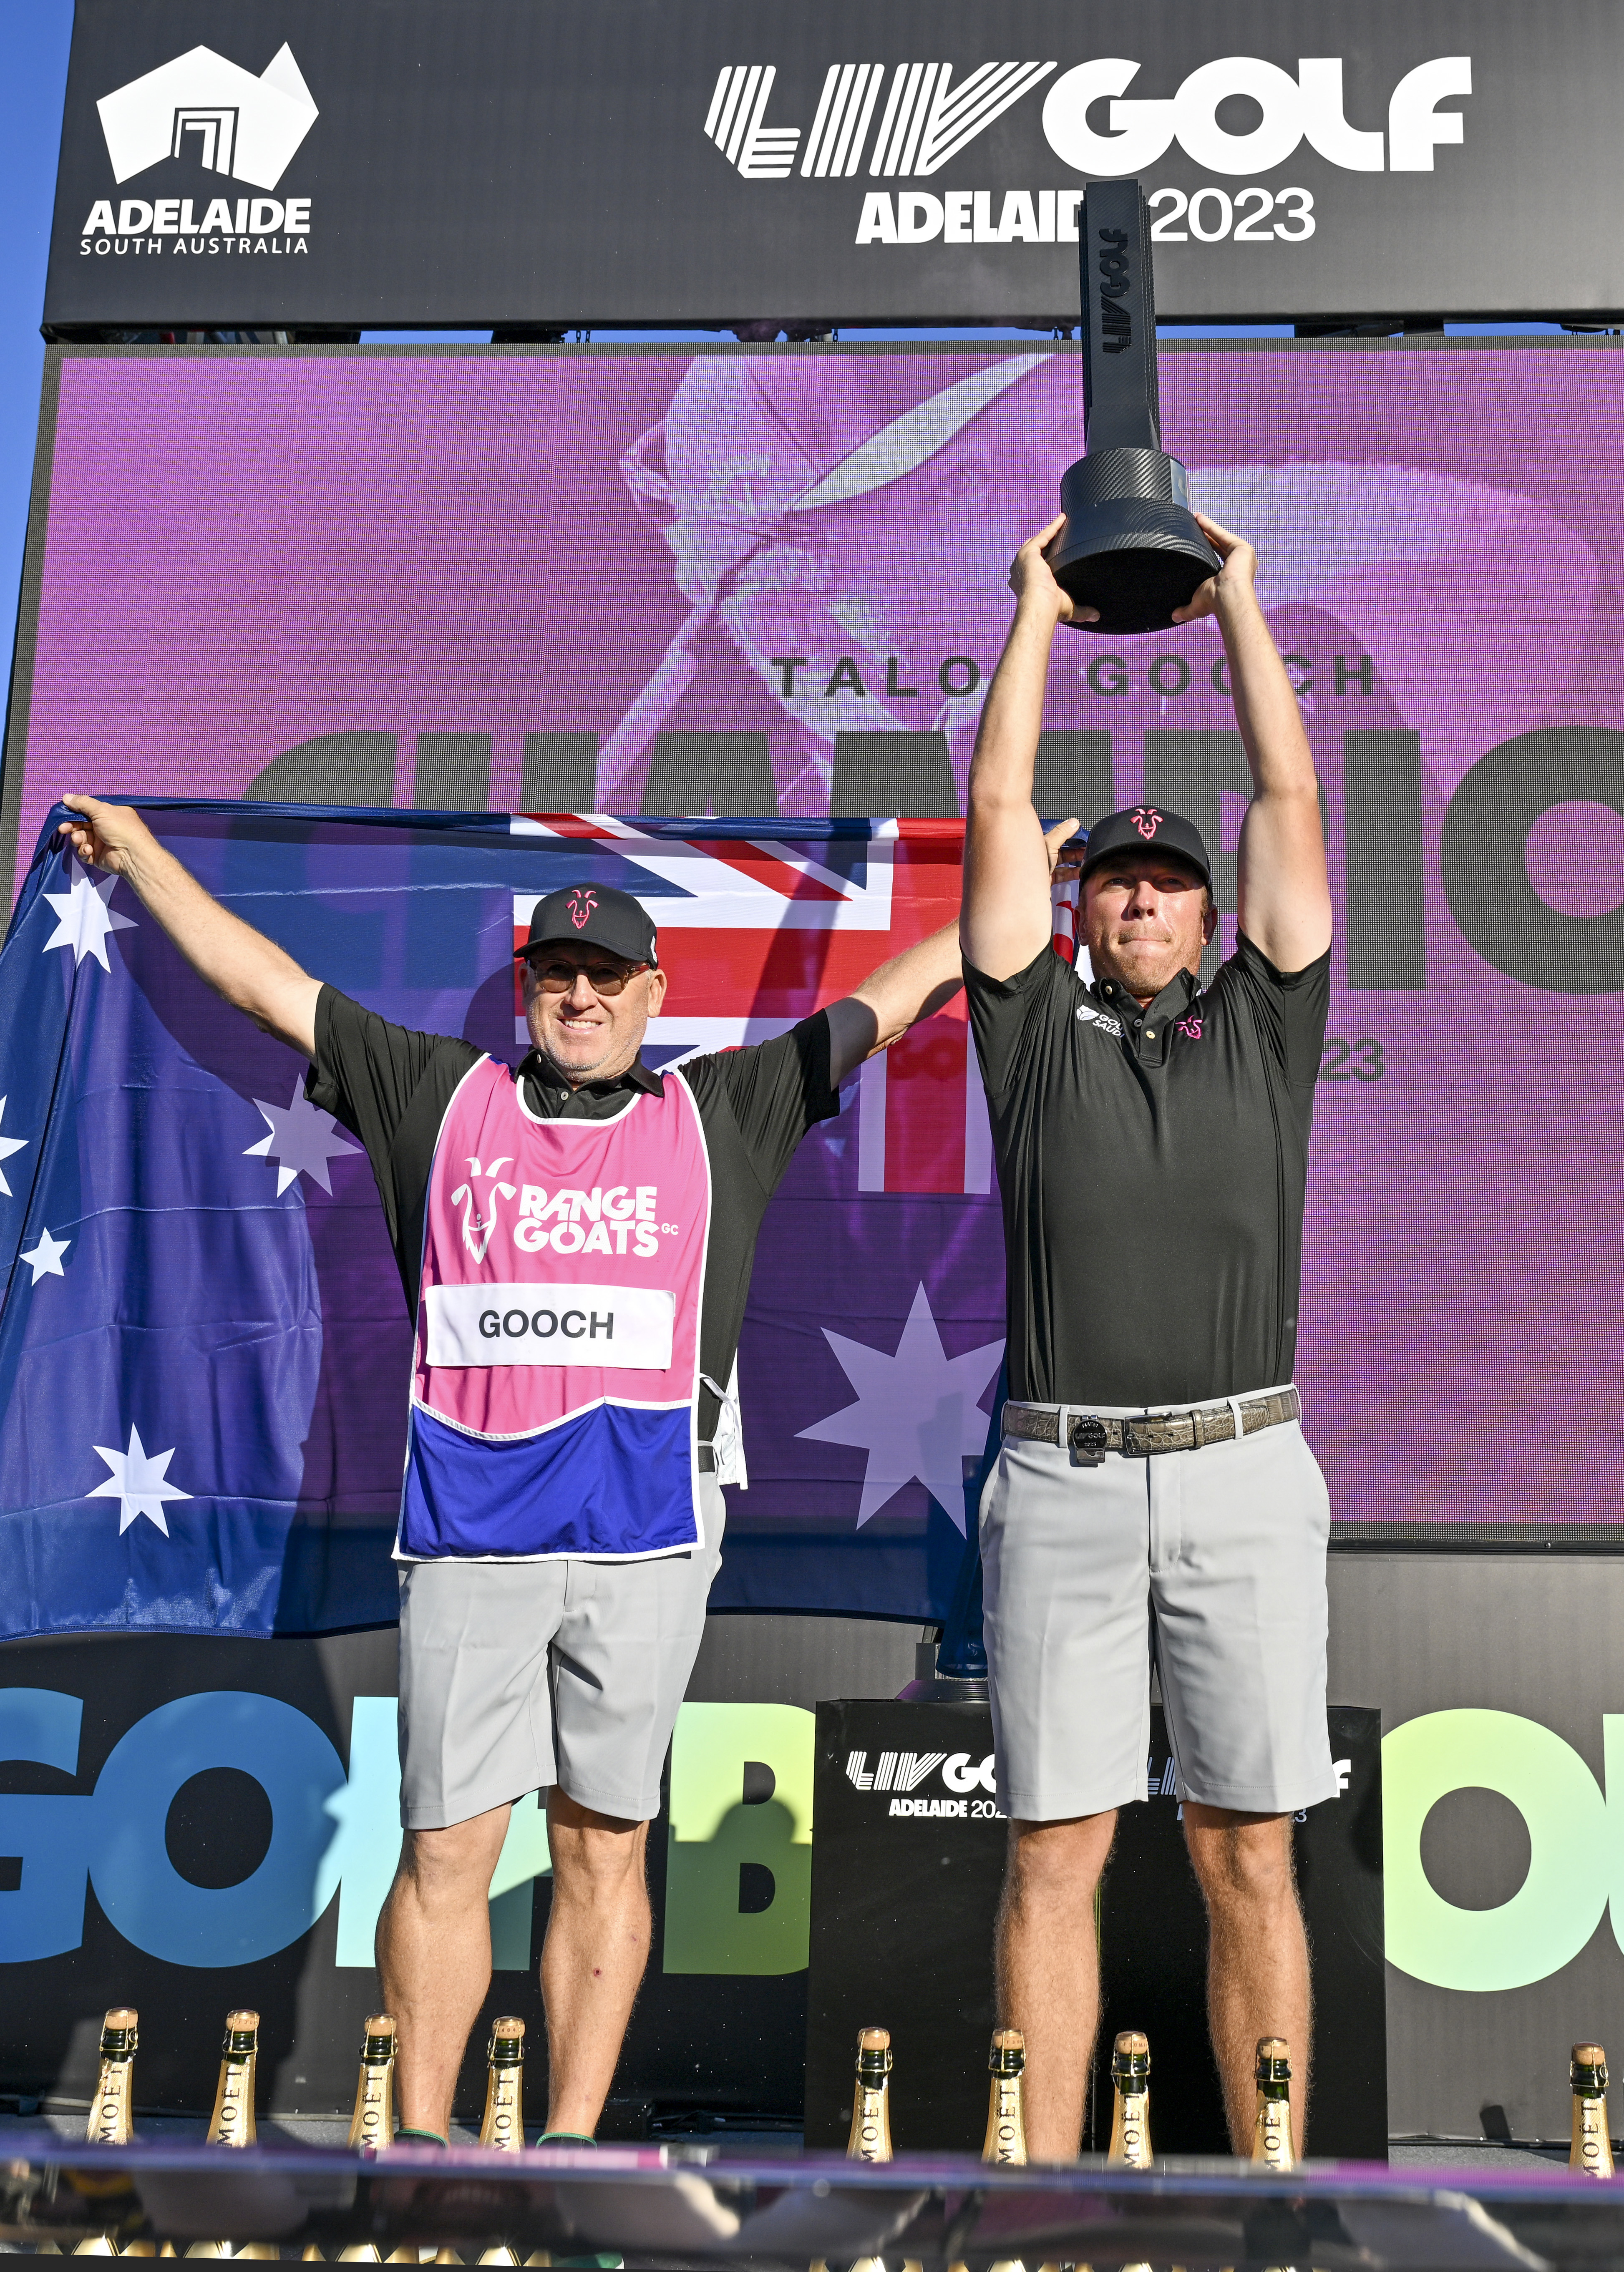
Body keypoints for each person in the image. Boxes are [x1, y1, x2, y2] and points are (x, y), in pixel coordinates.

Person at [53, 794, 971, 2146]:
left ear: (655, 992)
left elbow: (891, 1002)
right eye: (559, 975)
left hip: (647, 1539)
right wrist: (138, 856)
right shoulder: (440, 1093)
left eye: (608, 977)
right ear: (528, 989)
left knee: (604, 1847)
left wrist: (1014, 888)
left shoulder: (726, 1106)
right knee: (446, 1853)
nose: (583, 997)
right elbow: (263, 984)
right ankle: (420, 2156)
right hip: (471, 1539)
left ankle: (570, 2150)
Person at [960, 510, 1336, 2159]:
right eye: (1112, 877)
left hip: (1246, 1474)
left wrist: (1240, 599)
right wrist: (1036, 611)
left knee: (1245, 1850)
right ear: (1078, 908)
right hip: (1059, 1484)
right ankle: (1030, 2206)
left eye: (1168, 883)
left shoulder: (1267, 1026)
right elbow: (990, 807)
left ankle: (1265, 2201)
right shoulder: (1028, 1035)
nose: (1141, 898)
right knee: (1053, 1850)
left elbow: (1288, 802)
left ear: (1205, 919)